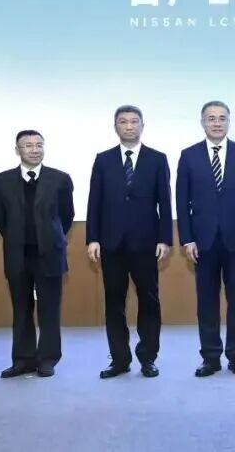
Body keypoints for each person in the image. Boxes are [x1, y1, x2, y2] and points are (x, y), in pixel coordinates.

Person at [176, 101, 235, 377]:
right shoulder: (188, 156)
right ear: (202, 122)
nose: (216, 123)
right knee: (206, 301)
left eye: (221, 118)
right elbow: (181, 201)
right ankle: (210, 357)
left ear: (228, 122)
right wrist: (187, 239)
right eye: (211, 118)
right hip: (202, 241)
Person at [86, 104, 172, 379]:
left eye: (134, 121)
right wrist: (92, 238)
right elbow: (94, 201)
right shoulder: (103, 159)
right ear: (115, 127)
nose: (129, 126)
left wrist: (165, 238)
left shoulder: (157, 159)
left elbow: (165, 202)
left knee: (149, 300)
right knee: (114, 302)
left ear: (142, 126)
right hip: (111, 243)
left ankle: (148, 358)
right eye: (123, 122)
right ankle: (119, 359)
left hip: (146, 243)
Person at [0, 130, 74, 378]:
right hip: (17, 254)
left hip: (49, 254)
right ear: (17, 150)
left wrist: (50, 236)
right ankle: (23, 360)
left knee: (49, 309)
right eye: (28, 145)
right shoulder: (0, 181)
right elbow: (0, 219)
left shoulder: (60, 179)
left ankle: (48, 359)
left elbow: (66, 216)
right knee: (21, 309)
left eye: (39, 145)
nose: (34, 149)